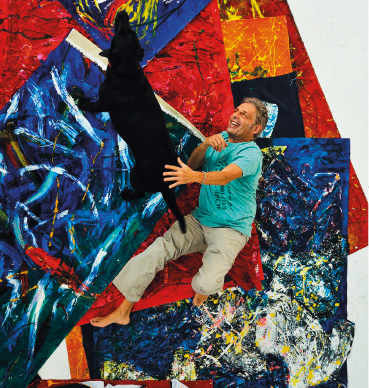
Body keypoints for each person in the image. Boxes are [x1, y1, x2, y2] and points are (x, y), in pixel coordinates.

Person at [91, 97, 268, 327]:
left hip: (230, 229)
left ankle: (210, 279)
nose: (235, 115)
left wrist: (194, 178)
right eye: (236, 110)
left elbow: (226, 175)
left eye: (244, 114)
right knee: (154, 252)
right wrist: (204, 146)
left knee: (204, 285)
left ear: (255, 128)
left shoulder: (252, 154)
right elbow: (193, 164)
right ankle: (122, 311)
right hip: (200, 219)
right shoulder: (221, 139)